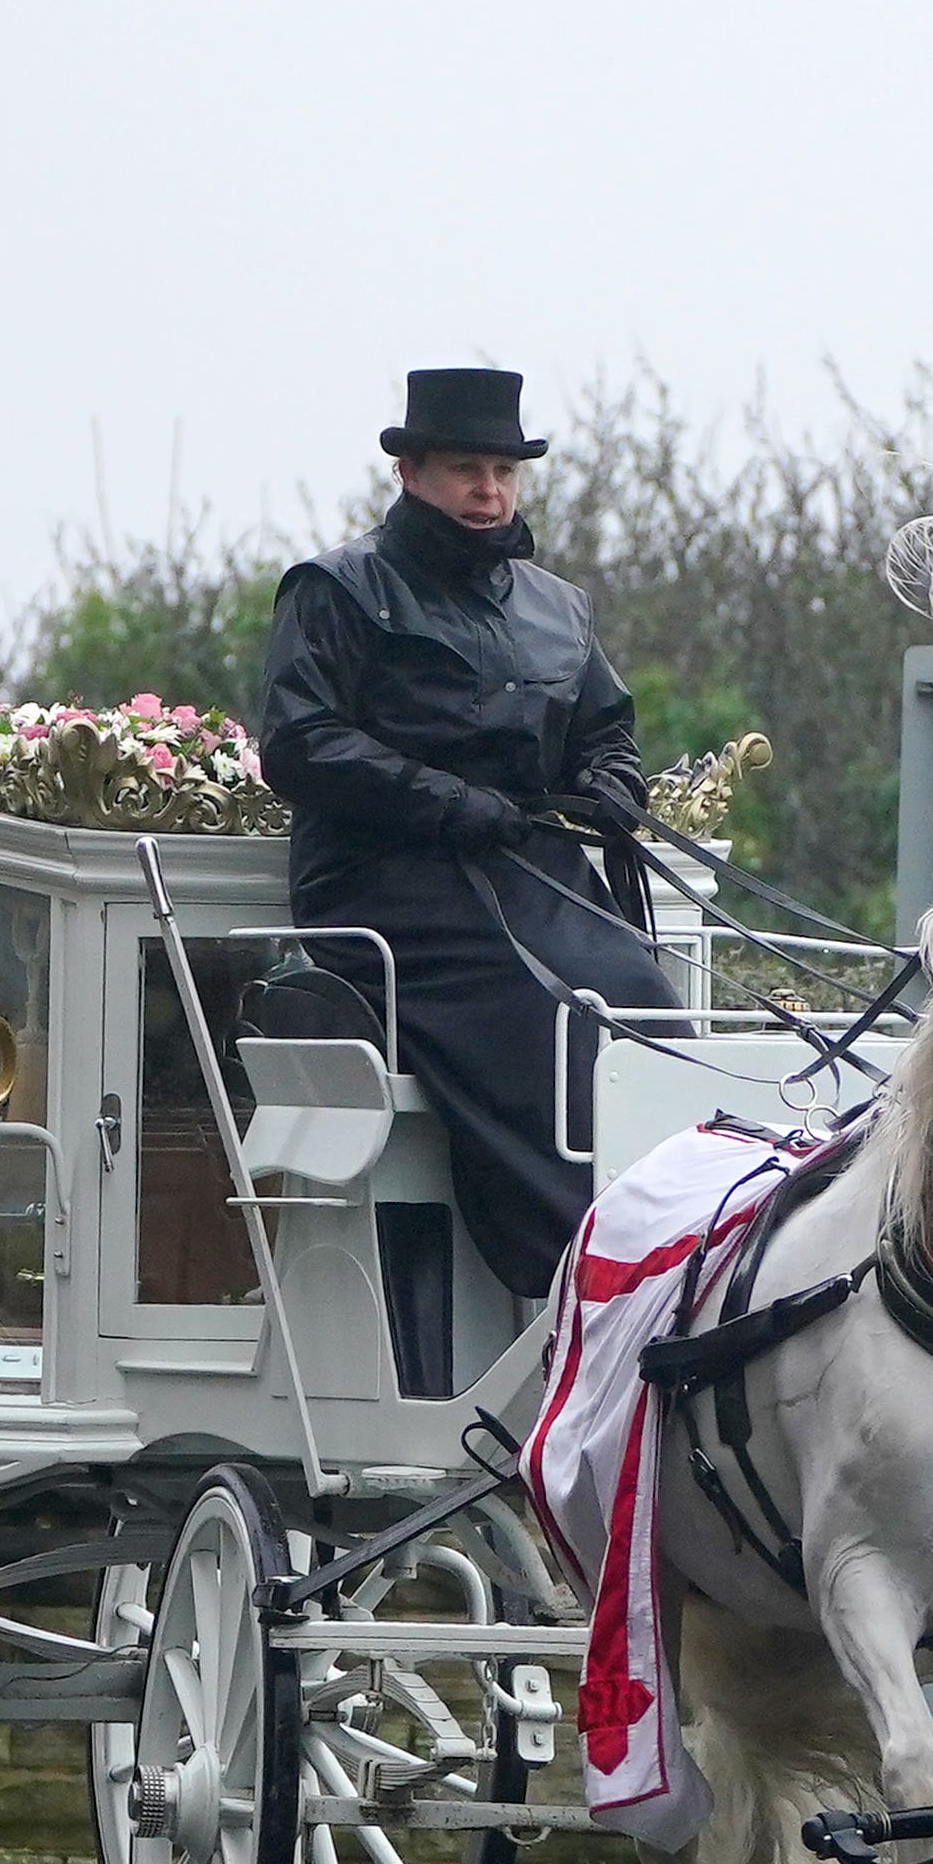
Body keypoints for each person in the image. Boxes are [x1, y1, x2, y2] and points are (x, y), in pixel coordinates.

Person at [254, 369, 679, 1298]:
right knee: (544, 1013)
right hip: (388, 883)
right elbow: (298, 740)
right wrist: (445, 799)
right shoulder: (337, 588)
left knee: (641, 994)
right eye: (464, 470)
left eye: (502, 470)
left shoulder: (555, 605)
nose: (489, 491)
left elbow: (604, 724)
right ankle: (577, 1263)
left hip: (532, 871)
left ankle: (671, 1241)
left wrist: (611, 781)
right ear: (409, 471)